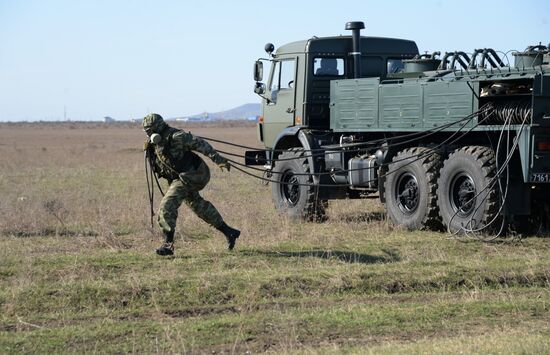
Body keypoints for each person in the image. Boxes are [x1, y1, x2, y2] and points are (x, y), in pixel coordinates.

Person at [142, 113, 240, 256]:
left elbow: (202, 145)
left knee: (167, 205)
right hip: (183, 177)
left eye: (149, 130)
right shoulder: (156, 143)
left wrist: (218, 160)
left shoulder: (177, 137)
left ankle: (168, 245)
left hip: (195, 174)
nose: (147, 133)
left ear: (157, 128)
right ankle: (229, 232)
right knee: (198, 205)